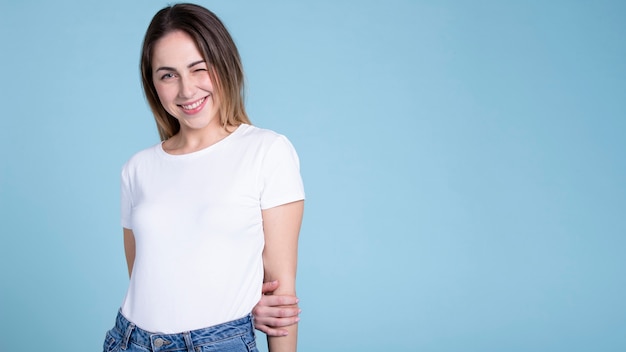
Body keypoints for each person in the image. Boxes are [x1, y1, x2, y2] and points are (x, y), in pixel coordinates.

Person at [103, 3, 304, 352]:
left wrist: (239, 311)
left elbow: (280, 295)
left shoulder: (267, 151)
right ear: (153, 84)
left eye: (199, 69)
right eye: (168, 75)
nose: (186, 90)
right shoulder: (137, 169)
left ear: (224, 64)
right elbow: (146, 278)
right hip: (129, 341)